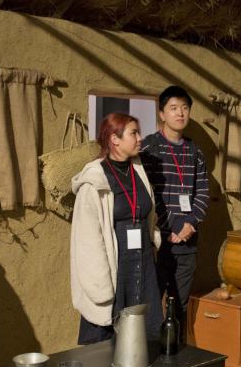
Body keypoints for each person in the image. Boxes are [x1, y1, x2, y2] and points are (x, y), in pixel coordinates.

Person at [70, 112, 163, 344]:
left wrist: (154, 240)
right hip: (115, 267)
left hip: (143, 263)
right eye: (134, 133)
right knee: (108, 343)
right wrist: (100, 286)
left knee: (143, 336)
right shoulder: (94, 181)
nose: (140, 138)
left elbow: (150, 214)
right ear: (114, 139)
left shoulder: (138, 170)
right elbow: (87, 240)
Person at [140, 85, 209, 339]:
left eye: (184, 108)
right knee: (150, 304)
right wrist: (167, 228)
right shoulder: (149, 148)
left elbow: (202, 192)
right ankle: (149, 354)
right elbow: (147, 194)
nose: (180, 113)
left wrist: (190, 224)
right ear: (161, 114)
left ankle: (176, 353)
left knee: (180, 305)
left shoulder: (195, 151)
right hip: (158, 241)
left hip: (187, 241)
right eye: (173, 108)